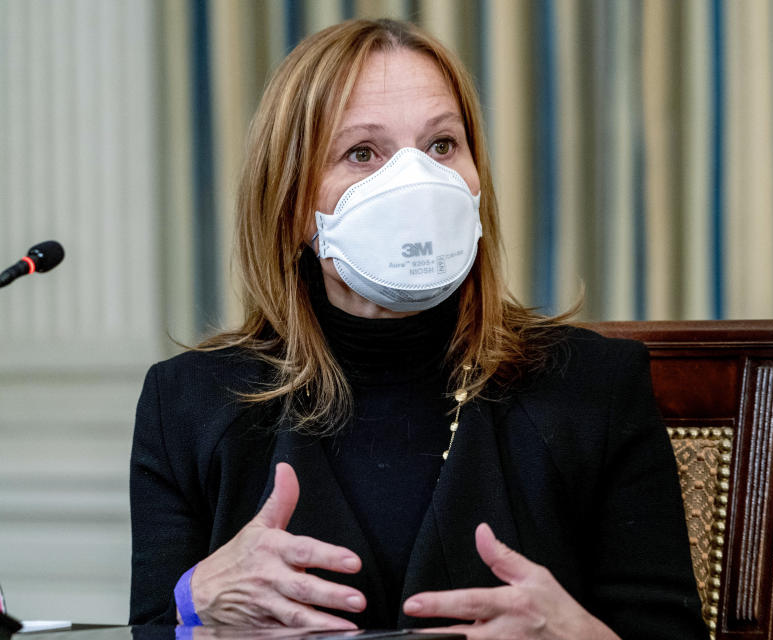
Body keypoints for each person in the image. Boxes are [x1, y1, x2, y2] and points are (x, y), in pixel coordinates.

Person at [129, 18, 708, 640]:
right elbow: (155, 629)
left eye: (440, 146)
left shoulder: (594, 386)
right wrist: (195, 609)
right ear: (294, 206)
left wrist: (577, 635)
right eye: (362, 153)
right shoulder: (187, 403)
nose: (416, 182)